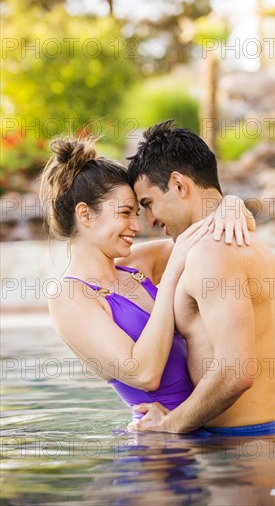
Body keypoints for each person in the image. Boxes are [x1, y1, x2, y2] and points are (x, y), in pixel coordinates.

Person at [40, 135, 255, 418]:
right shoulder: (69, 298)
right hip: (158, 448)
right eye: (126, 213)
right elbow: (144, 373)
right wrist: (169, 280)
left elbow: (216, 233)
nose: (137, 226)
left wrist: (231, 205)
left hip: (203, 427)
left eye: (139, 212)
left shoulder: (137, 264)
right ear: (86, 214)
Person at [126, 120, 275, 435]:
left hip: (236, 453)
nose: (149, 220)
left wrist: (171, 424)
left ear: (179, 184)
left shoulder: (211, 254)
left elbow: (237, 373)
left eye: (148, 204)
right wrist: (253, 408)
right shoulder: (255, 246)